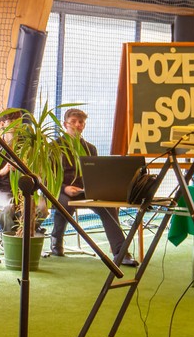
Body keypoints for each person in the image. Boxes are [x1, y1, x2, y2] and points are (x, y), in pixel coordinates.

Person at [49, 108, 137, 266]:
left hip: (85, 191)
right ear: (65, 124)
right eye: (73, 121)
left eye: (81, 122)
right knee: (66, 205)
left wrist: (96, 189)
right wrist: (64, 188)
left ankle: (121, 253)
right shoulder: (54, 147)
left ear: (84, 125)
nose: (77, 125)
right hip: (60, 189)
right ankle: (56, 239)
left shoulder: (91, 148)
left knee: (108, 207)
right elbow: (48, 177)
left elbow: (95, 175)